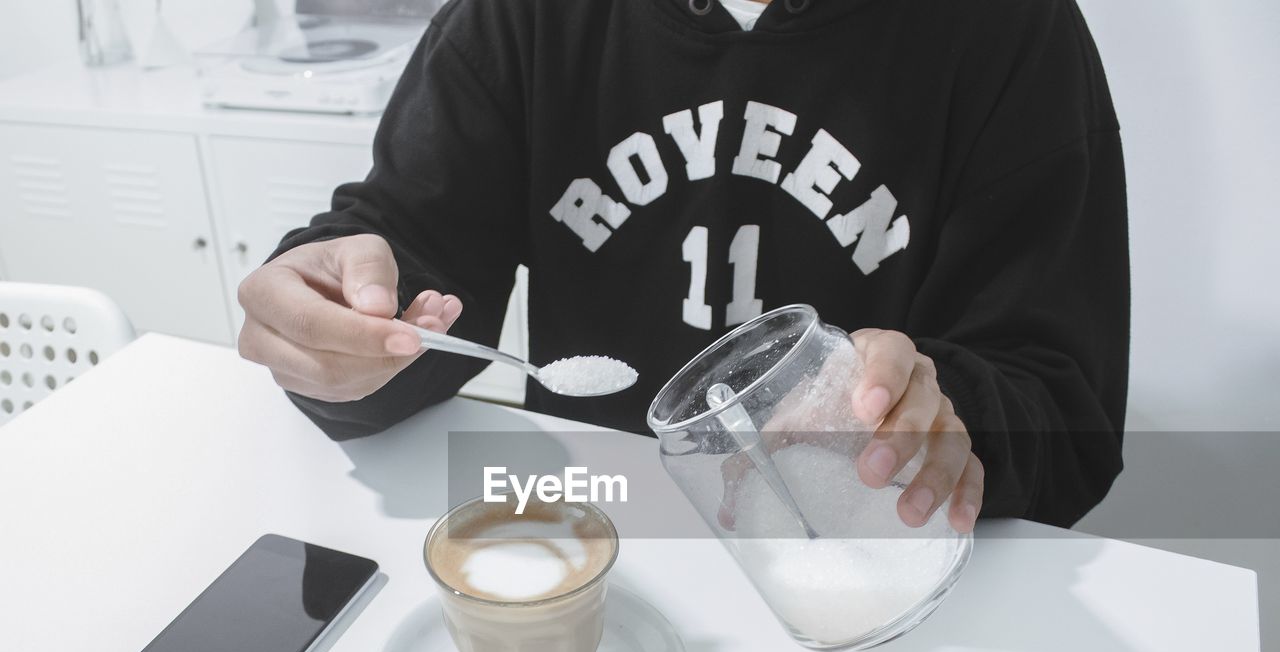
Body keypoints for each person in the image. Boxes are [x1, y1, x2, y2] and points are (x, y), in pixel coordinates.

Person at [237, 0, 1129, 531]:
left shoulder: (1008, 28)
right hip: (593, 539)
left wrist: (943, 419)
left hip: (860, 565)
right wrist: (332, 332)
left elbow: (1064, 408)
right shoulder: (522, 18)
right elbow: (407, 265)